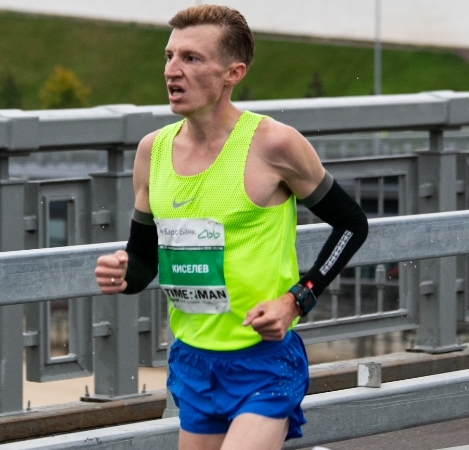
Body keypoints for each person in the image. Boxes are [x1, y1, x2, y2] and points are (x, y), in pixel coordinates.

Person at [94, 5, 367, 450]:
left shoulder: (273, 144)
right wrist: (125, 273)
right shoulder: (152, 152)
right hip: (193, 360)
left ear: (232, 73)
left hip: (263, 362)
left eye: (191, 58)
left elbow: (352, 224)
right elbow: (144, 261)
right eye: (169, 56)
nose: (172, 70)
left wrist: (296, 300)